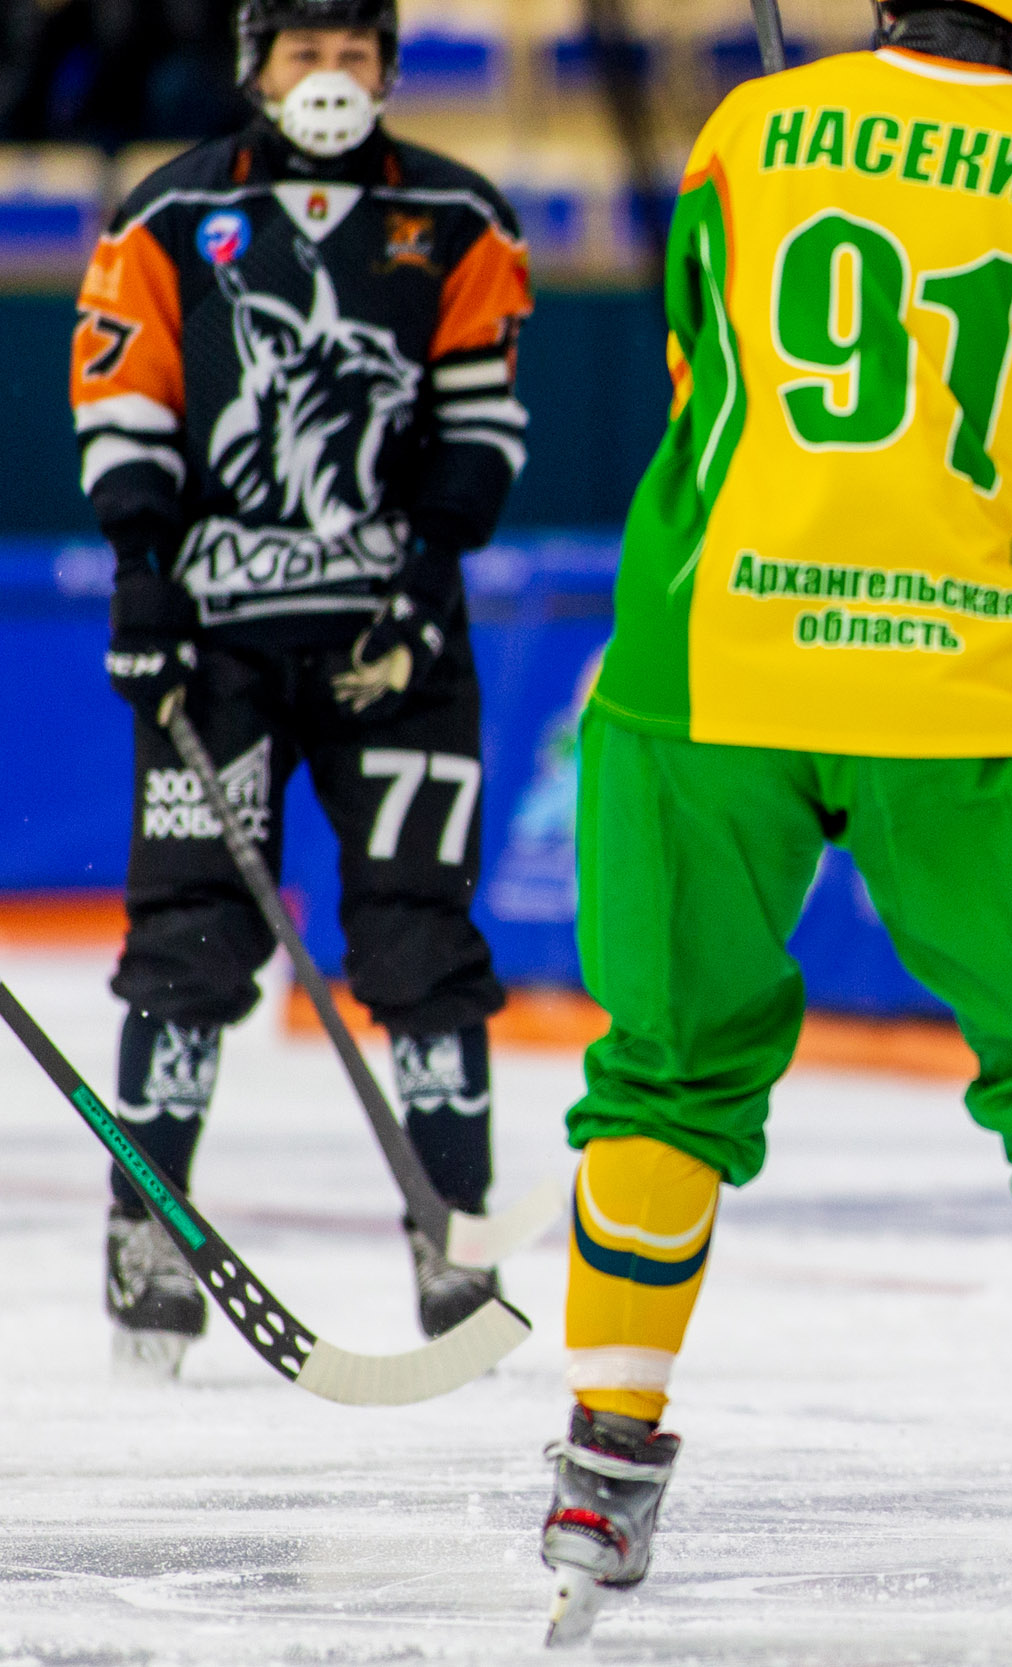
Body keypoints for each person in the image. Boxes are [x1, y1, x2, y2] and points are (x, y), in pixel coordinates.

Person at [532, 1, 1012, 1651]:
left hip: (702, 664)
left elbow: (700, 360)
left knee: (663, 1073)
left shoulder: (748, 128)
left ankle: (600, 1466)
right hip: (962, 677)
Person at [71, 0, 531, 1373]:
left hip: (398, 653)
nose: (328, 78)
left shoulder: (458, 218)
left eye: (353, 53)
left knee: (421, 949)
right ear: (253, 65)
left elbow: (480, 424)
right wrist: (144, 576)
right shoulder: (167, 216)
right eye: (301, 52)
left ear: (388, 66)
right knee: (190, 944)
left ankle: (458, 1238)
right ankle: (147, 1226)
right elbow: (123, 406)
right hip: (217, 650)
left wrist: (427, 568)